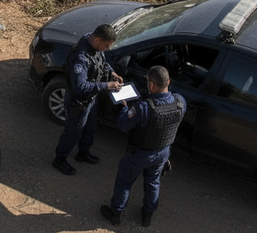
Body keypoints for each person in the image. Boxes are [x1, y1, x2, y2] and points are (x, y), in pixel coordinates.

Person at [100, 66, 186, 227]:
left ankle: (115, 213)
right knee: (153, 182)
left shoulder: (143, 107)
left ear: (152, 84)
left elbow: (124, 125)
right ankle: (147, 215)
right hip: (163, 152)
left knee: (124, 182)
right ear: (168, 82)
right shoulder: (180, 101)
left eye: (147, 82)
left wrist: (125, 109)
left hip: (139, 154)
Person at [52, 24, 123, 176]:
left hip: (91, 99)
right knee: (73, 132)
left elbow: (101, 63)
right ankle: (60, 159)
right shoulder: (80, 57)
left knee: (90, 128)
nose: (108, 49)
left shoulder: (95, 47)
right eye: (107, 45)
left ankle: (83, 153)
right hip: (78, 102)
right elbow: (80, 87)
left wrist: (112, 73)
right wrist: (107, 85)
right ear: (97, 39)